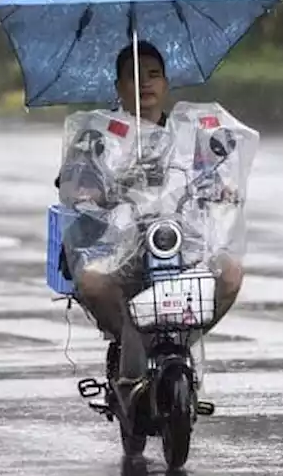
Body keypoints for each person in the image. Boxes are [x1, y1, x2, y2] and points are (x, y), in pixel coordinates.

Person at [63, 41, 245, 408]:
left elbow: (217, 176)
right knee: (93, 282)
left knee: (230, 273)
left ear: (165, 83)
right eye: (133, 76)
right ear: (118, 87)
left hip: (182, 246)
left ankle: (179, 343)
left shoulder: (190, 135)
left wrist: (224, 189)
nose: (145, 84)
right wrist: (108, 186)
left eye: (154, 75)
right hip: (120, 251)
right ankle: (128, 346)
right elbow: (75, 189)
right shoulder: (98, 134)